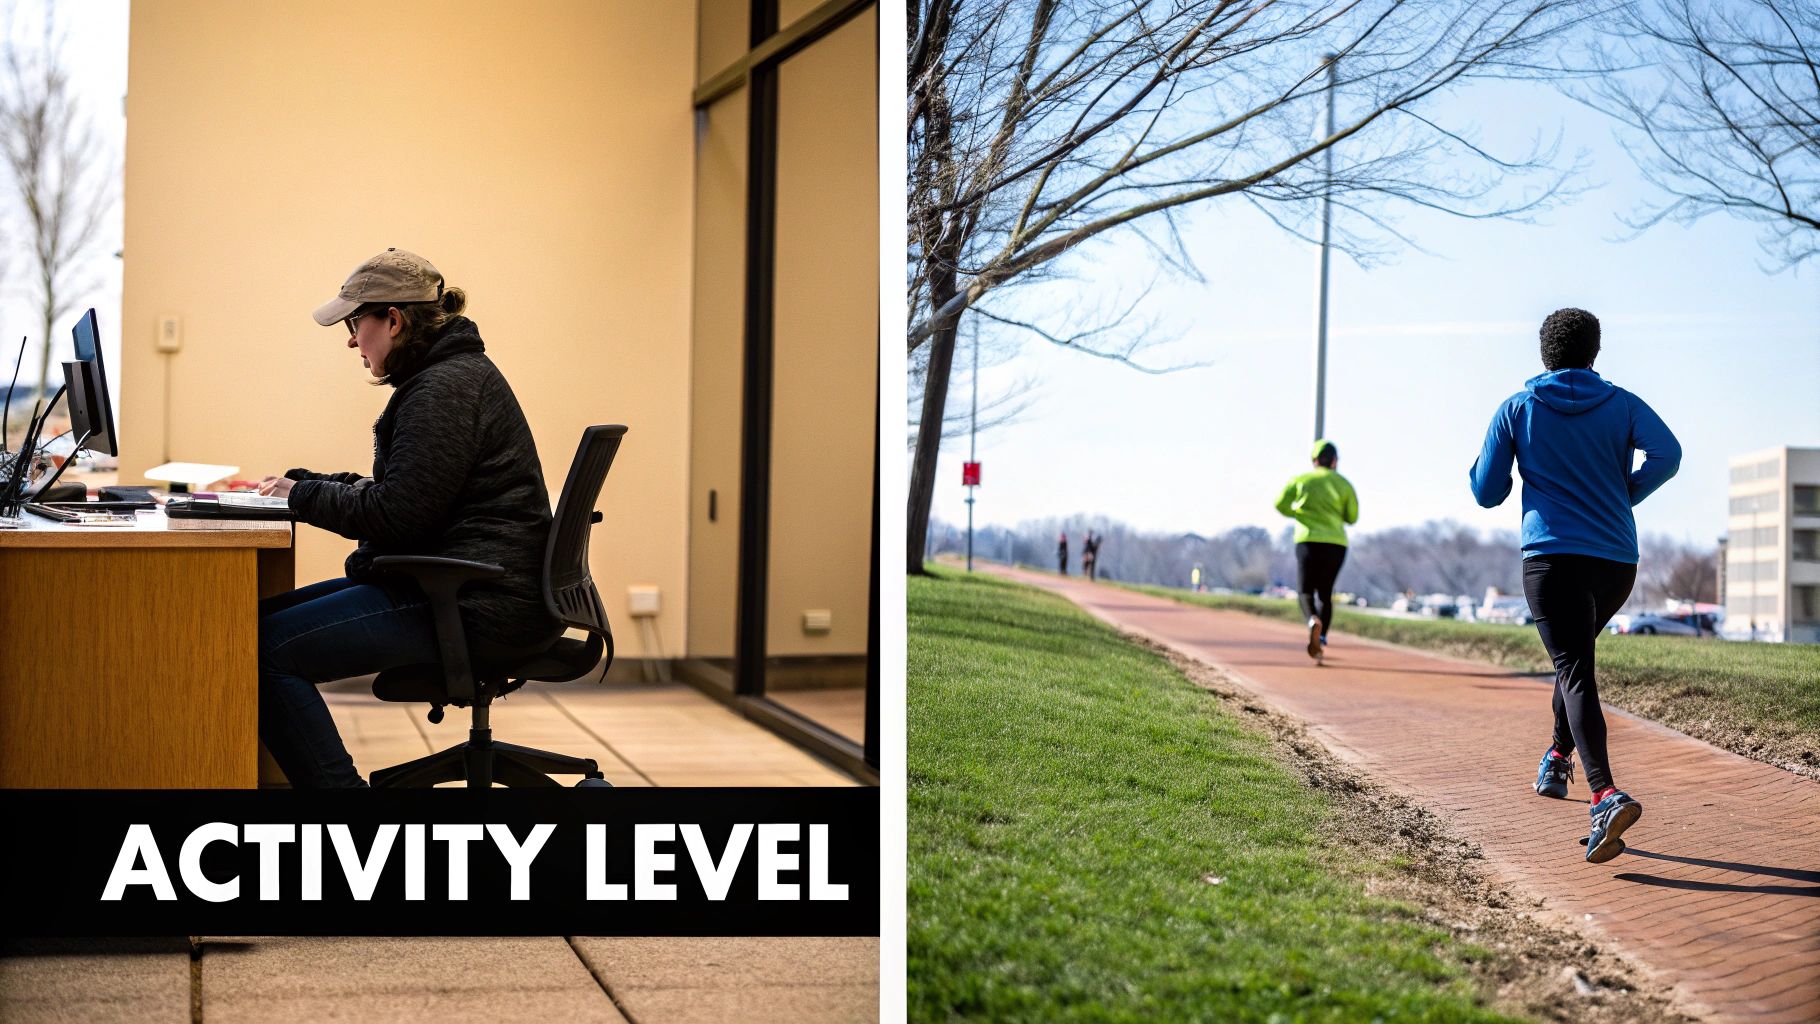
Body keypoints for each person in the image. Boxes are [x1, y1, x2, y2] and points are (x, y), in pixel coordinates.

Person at [253, 248, 563, 788]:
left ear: (393, 320)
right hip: (464, 581)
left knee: (263, 650)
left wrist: (303, 496)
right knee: (242, 626)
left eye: (355, 323)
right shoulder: (449, 378)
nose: (351, 339)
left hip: (472, 600)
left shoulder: (443, 389)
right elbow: (412, 494)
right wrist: (309, 486)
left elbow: (399, 515)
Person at [1470, 307, 1680, 863]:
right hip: (1615, 560)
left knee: (1575, 669)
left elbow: (1487, 492)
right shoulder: (1623, 404)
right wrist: (1623, 495)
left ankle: (1605, 794)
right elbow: (1669, 455)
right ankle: (1557, 757)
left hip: (1553, 559)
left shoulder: (1517, 409)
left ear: (1544, 351)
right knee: (1575, 661)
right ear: (1595, 353)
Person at [1275, 439, 1358, 666]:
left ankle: (1312, 620)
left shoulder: (1302, 480)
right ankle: (1321, 639)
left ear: (1314, 460)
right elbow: (1352, 517)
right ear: (1334, 461)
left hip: (1307, 540)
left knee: (1305, 591)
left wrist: (1299, 513)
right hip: (1335, 544)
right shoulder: (1343, 484)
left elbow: (1280, 504)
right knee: (1326, 594)